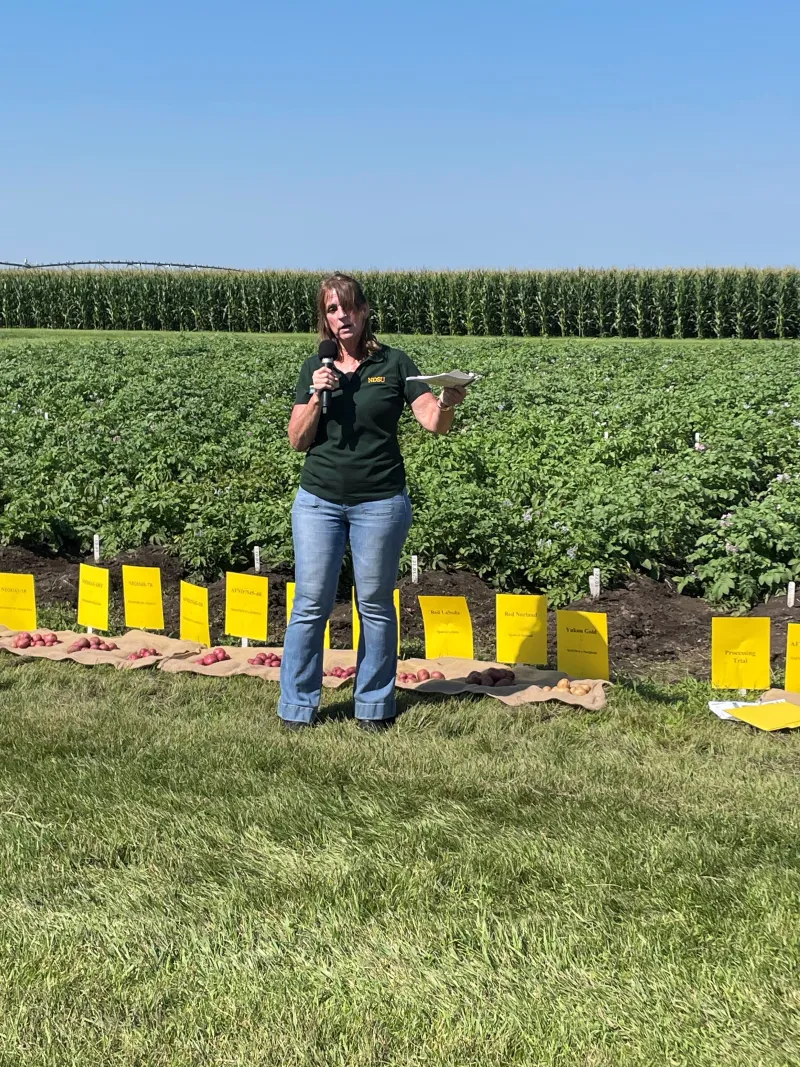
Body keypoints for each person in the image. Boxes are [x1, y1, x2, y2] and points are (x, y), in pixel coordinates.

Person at [278, 272, 469, 732]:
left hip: (380, 503)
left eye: (348, 307)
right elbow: (297, 441)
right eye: (332, 309)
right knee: (310, 604)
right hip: (318, 502)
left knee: (376, 604)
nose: (341, 316)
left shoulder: (395, 363)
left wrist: (447, 400)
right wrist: (316, 395)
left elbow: (433, 423)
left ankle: (374, 706)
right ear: (325, 318)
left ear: (364, 312)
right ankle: (298, 707)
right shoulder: (315, 367)